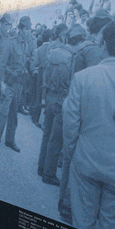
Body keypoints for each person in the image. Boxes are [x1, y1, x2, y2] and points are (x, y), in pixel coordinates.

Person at [63, 20, 115, 229]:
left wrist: (71, 156)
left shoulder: (84, 78)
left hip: (86, 164)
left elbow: (70, 127)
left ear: (104, 45)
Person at [37, 24, 77, 186]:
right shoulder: (72, 57)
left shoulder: (53, 52)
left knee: (46, 134)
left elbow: (44, 74)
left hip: (50, 96)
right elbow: (71, 82)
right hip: (62, 99)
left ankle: (41, 167)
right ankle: (48, 174)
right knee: (56, 139)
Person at [0, 15, 32, 153]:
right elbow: (2, 65)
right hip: (9, 85)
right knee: (3, 113)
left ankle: (10, 140)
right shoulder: (11, 42)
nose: (28, 31)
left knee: (14, 115)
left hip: (19, 86)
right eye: (26, 29)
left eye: (29, 29)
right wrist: (2, 83)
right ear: (20, 29)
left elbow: (23, 62)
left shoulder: (26, 44)